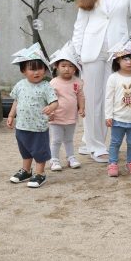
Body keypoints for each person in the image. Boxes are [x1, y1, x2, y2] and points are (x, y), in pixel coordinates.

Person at [71, 0, 131, 163]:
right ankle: (95, 144)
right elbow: (80, 23)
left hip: (118, 49)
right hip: (92, 49)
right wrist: (76, 52)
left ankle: (91, 140)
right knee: (92, 99)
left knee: (111, 97)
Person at [7, 44, 59, 188]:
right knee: (25, 149)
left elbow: (55, 102)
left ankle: (40, 173)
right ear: (23, 70)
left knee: (39, 150)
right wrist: (11, 115)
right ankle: (26, 170)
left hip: (38, 127)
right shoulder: (20, 85)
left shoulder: (46, 86)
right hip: (22, 126)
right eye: (32, 69)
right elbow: (16, 101)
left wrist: (51, 107)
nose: (36, 72)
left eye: (40, 68)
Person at [104, 42, 131, 177]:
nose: (129, 62)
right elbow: (108, 98)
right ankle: (112, 163)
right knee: (115, 142)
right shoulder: (113, 78)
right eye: (125, 58)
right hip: (117, 118)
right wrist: (108, 116)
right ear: (117, 59)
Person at [48, 42, 85, 172]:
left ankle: (71, 157)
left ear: (75, 68)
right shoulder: (53, 83)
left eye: (70, 66)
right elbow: (49, 99)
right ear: (57, 67)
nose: (67, 69)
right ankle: (54, 159)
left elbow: (81, 96)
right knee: (56, 140)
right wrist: (50, 113)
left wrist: (81, 108)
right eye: (63, 65)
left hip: (71, 117)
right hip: (56, 117)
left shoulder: (78, 82)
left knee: (69, 139)